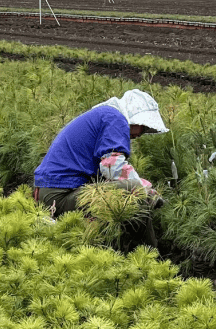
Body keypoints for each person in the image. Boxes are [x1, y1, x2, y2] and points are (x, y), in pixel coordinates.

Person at [33, 89, 169, 247]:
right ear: (135, 118)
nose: (141, 134)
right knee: (134, 190)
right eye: (144, 128)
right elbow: (112, 166)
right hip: (59, 196)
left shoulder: (104, 115)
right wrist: (145, 190)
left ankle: (135, 252)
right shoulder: (115, 118)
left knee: (131, 191)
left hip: (52, 193)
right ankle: (150, 255)